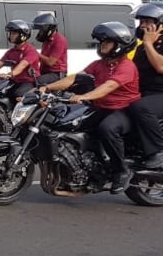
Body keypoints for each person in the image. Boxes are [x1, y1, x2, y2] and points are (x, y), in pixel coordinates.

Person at [39, 21, 140, 194]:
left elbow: (108, 87)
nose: (102, 46)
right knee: (72, 123)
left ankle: (122, 170)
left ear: (119, 46)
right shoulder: (99, 64)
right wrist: (47, 88)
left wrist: (84, 96)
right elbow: (74, 78)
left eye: (106, 42)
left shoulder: (126, 66)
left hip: (123, 110)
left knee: (107, 128)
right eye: (102, 42)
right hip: (101, 107)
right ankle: (88, 168)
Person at [126, 4, 163, 169]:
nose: (142, 26)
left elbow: (160, 67)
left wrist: (148, 43)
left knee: (140, 107)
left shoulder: (148, 45)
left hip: (160, 93)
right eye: (141, 22)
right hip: (144, 92)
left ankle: (158, 151)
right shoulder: (141, 47)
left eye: (147, 21)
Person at [0, 20, 41, 102]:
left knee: (17, 94)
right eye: (11, 33)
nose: (11, 36)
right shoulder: (11, 51)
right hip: (15, 81)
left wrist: (9, 75)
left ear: (23, 35)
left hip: (29, 82)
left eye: (14, 33)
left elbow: (21, 66)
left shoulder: (30, 51)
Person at [32, 13, 68, 85]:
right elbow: (41, 59)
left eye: (41, 30)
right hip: (45, 71)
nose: (40, 33)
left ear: (48, 28)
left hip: (56, 73)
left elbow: (50, 62)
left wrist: (35, 53)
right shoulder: (47, 40)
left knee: (37, 82)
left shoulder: (59, 40)